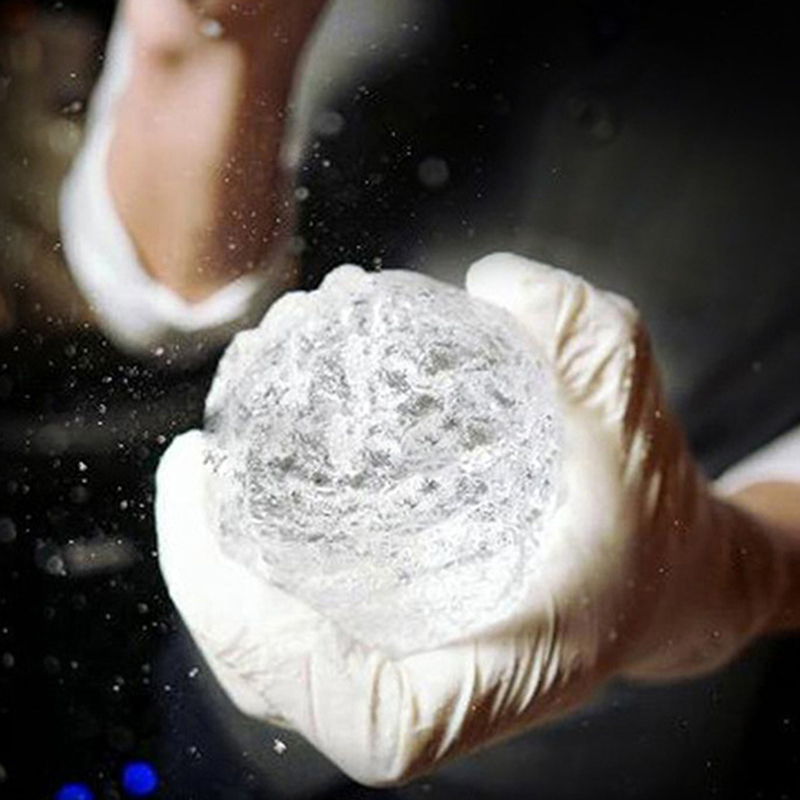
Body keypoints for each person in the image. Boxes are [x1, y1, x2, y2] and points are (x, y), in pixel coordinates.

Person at [59, 0, 800, 787]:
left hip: (604, 755)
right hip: (246, 692)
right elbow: (160, 304)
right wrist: (206, 56)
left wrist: (716, 574)